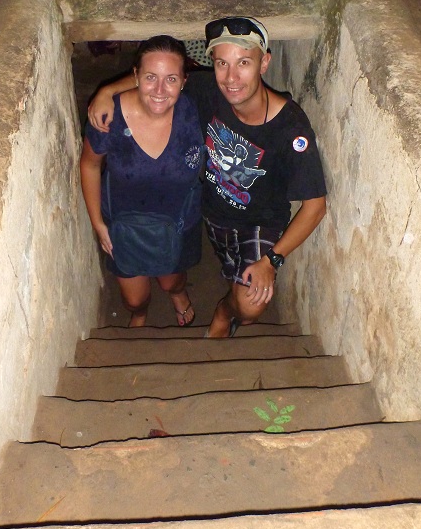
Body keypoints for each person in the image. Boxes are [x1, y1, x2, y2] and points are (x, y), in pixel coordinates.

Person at [87, 17, 327, 337]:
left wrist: (272, 261)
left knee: (250, 306)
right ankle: (221, 288)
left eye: (244, 62)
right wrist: (107, 91)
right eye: (221, 63)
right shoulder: (208, 91)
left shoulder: (291, 127)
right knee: (219, 272)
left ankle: (226, 311)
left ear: (264, 62)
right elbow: (161, 82)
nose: (231, 78)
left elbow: (316, 206)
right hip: (212, 214)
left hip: (259, 221)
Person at [80, 35, 204, 328]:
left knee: (172, 280)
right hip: (124, 224)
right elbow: (89, 164)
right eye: (150, 77)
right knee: (135, 300)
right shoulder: (108, 117)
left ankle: (177, 294)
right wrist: (98, 223)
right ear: (134, 75)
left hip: (179, 222)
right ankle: (139, 314)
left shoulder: (196, 105)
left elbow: (241, 91)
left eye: (171, 79)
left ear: (185, 80)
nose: (160, 90)